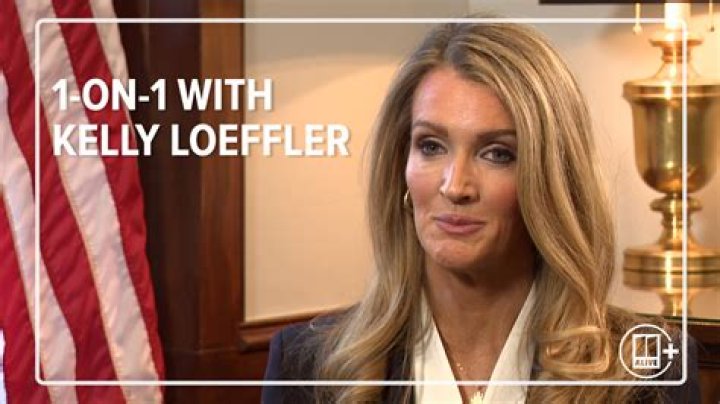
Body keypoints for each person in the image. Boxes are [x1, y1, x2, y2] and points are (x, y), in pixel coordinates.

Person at [262, 21, 700, 404]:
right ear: (401, 166)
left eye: (497, 153)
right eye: (431, 146)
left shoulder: (651, 371)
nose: (455, 186)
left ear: (550, 181)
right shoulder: (307, 367)